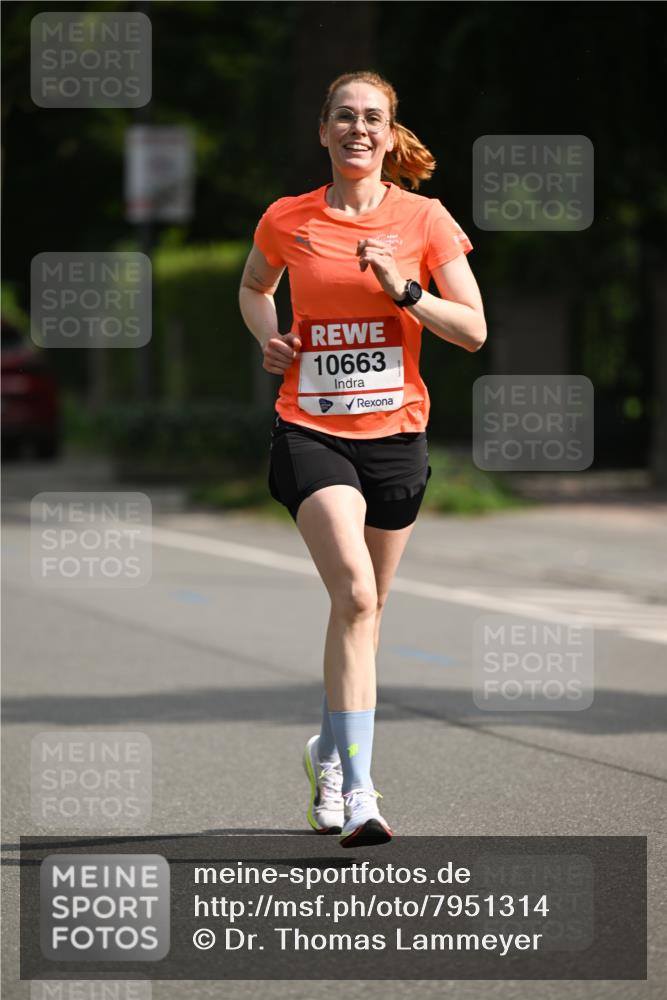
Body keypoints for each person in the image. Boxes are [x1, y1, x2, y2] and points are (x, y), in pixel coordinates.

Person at [239, 70, 486, 848]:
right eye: (343, 116)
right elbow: (253, 287)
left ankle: (328, 755)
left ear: (388, 134)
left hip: (397, 438)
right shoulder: (288, 219)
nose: (357, 129)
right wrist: (267, 336)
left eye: (371, 118)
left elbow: (472, 330)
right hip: (309, 430)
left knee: (367, 613)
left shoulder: (424, 219)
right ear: (323, 131)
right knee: (351, 593)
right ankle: (361, 794)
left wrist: (404, 290)